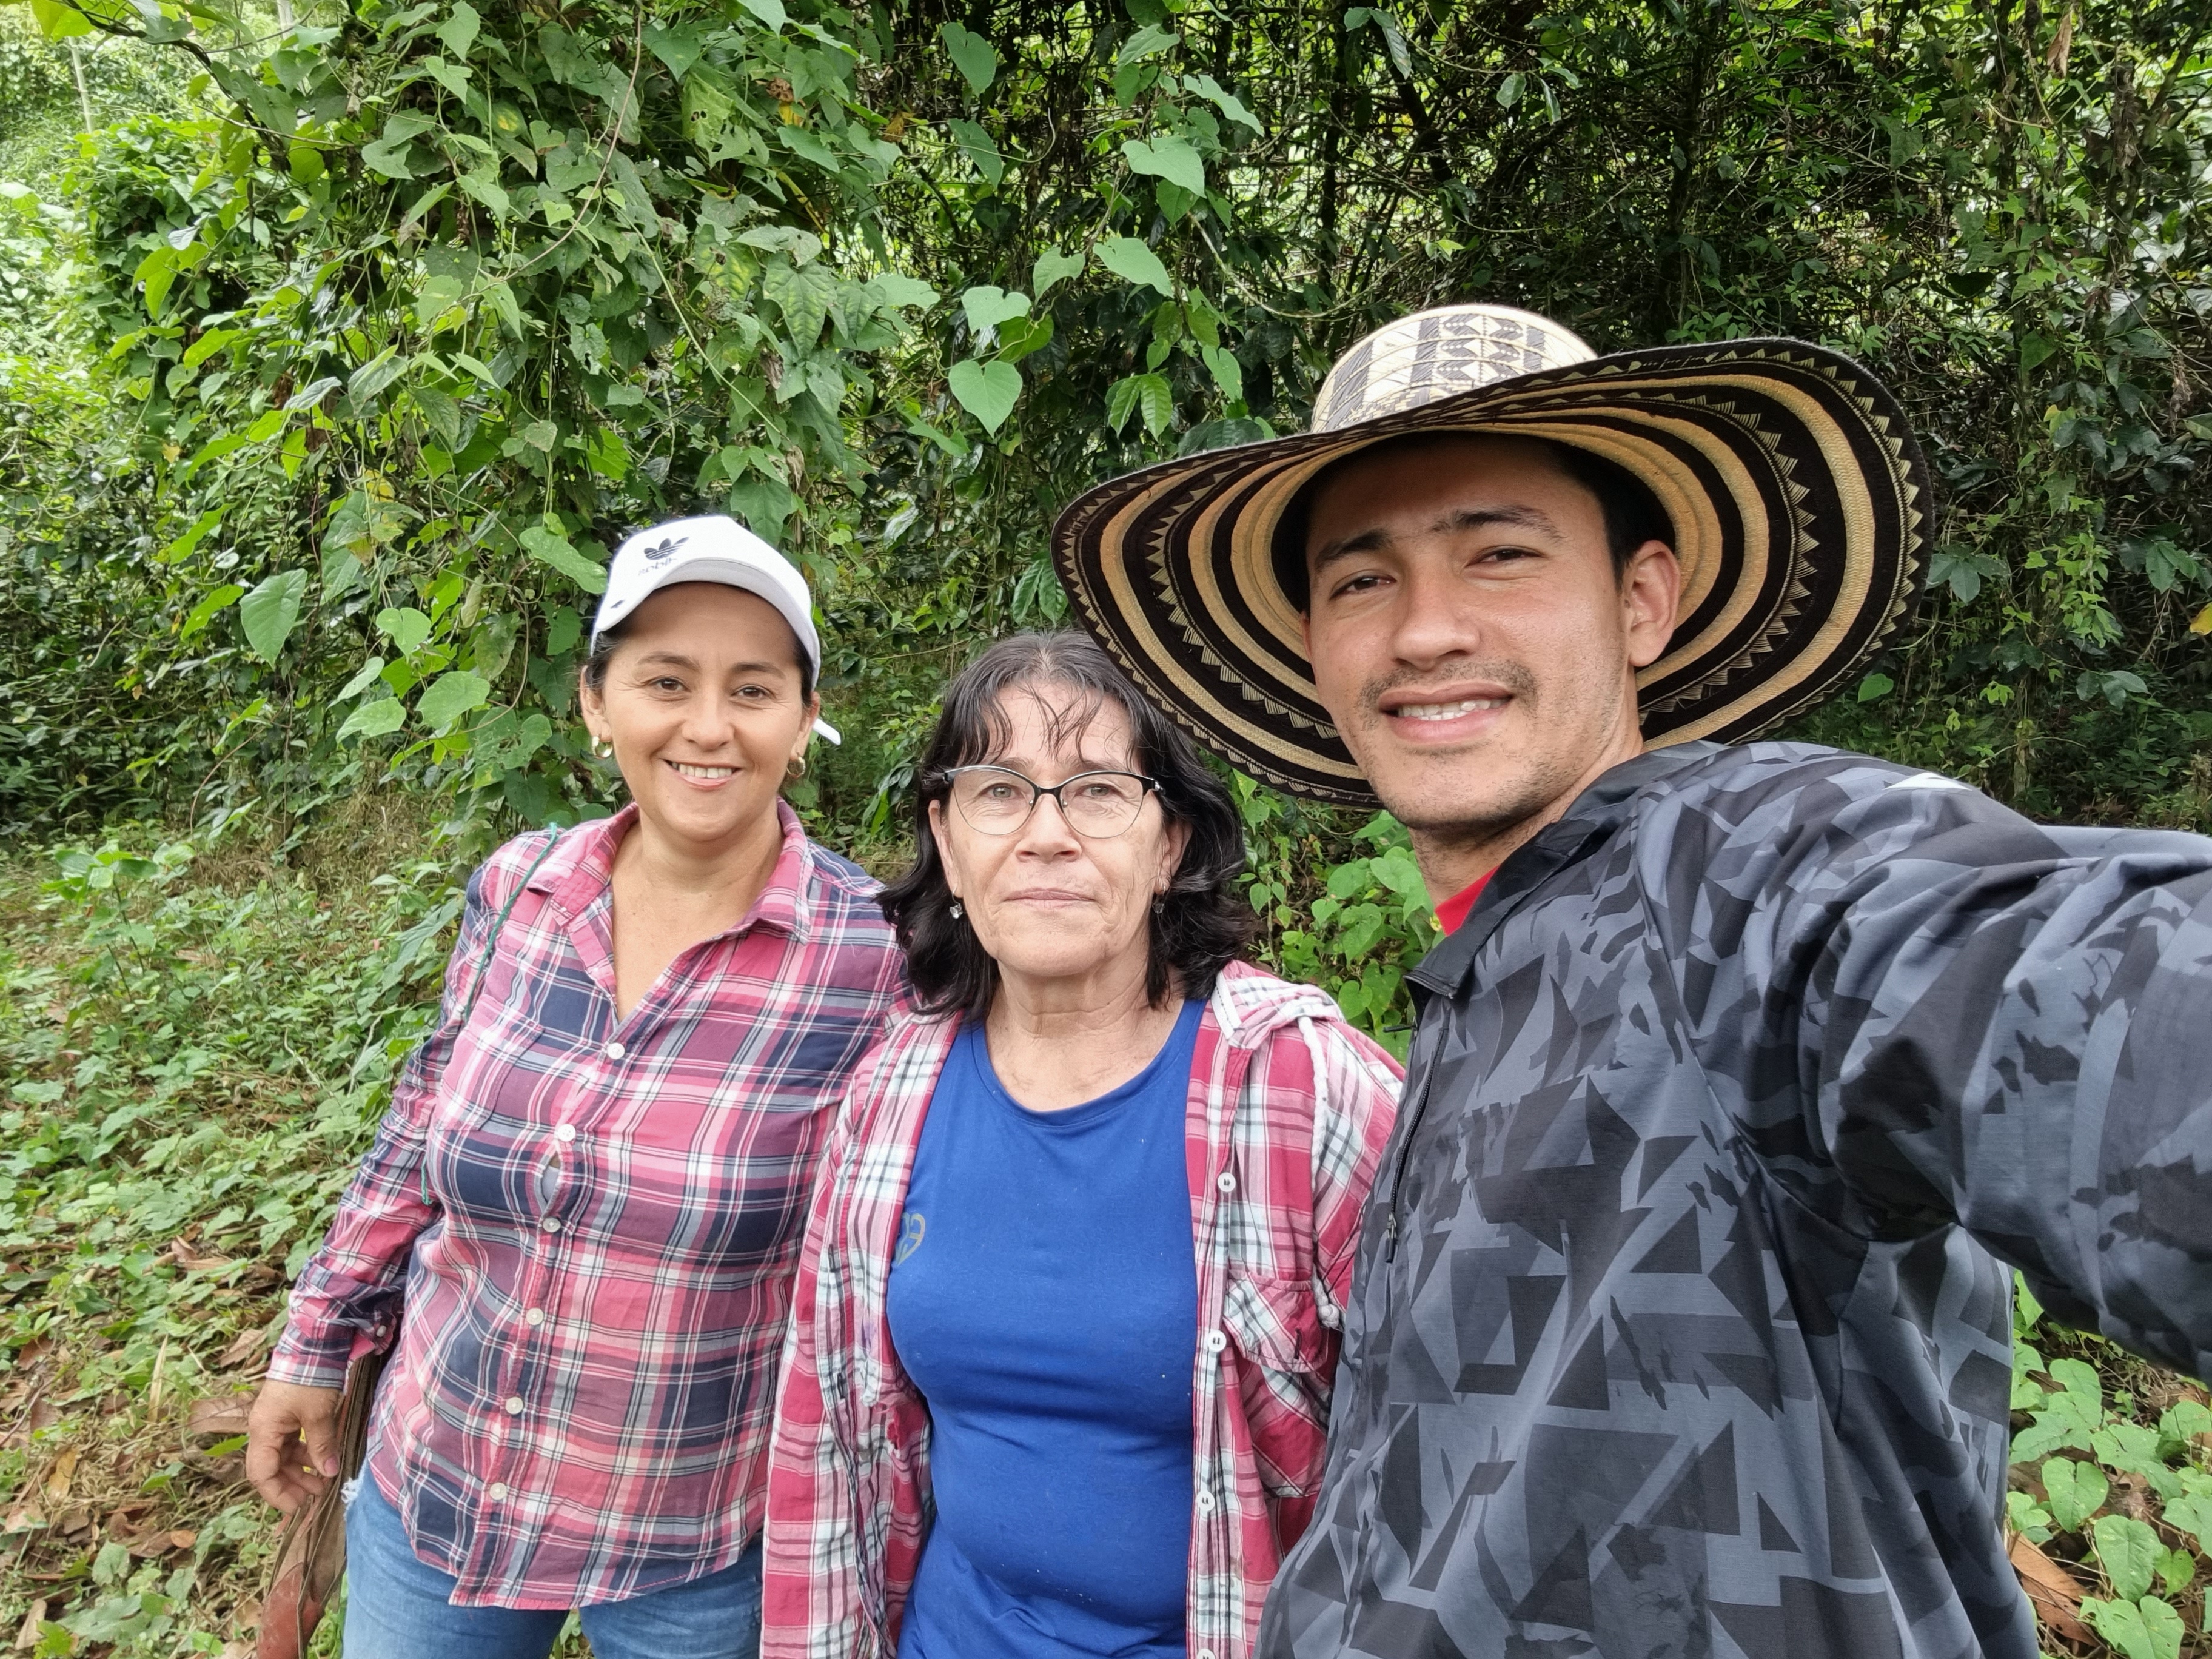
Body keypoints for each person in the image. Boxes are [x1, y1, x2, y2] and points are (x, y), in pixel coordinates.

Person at [1050, 304, 2212, 1659]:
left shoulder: (1737, 866)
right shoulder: (1485, 974)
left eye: (1501, 554)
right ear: (1317, 642)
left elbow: (2052, 980)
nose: (1425, 630)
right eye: (1362, 580)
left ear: (1642, 599)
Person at [246, 515, 907, 1659]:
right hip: (440, 1487)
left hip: (695, 1538)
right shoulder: (521, 887)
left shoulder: (877, 955)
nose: (708, 727)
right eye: (665, 681)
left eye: (754, 689)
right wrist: (316, 1340)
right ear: (598, 704)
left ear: (804, 722)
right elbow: (422, 1123)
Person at [760, 632, 1403, 1659]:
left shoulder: (1301, 1087)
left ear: (1170, 846)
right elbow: (828, 1447)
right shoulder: (891, 1093)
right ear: (948, 838)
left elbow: (1439, 1463)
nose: (1045, 835)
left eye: (1098, 791)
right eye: (1000, 791)